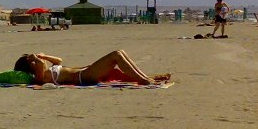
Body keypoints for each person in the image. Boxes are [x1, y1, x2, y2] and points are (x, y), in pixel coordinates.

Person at [12, 51, 170, 86]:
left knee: (120, 53)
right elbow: (39, 64)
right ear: (30, 66)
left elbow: (59, 60)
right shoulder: (40, 76)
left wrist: (44, 56)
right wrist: (34, 58)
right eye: (33, 62)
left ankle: (147, 78)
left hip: (85, 72)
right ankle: (144, 80)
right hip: (84, 76)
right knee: (115, 55)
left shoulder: (44, 68)